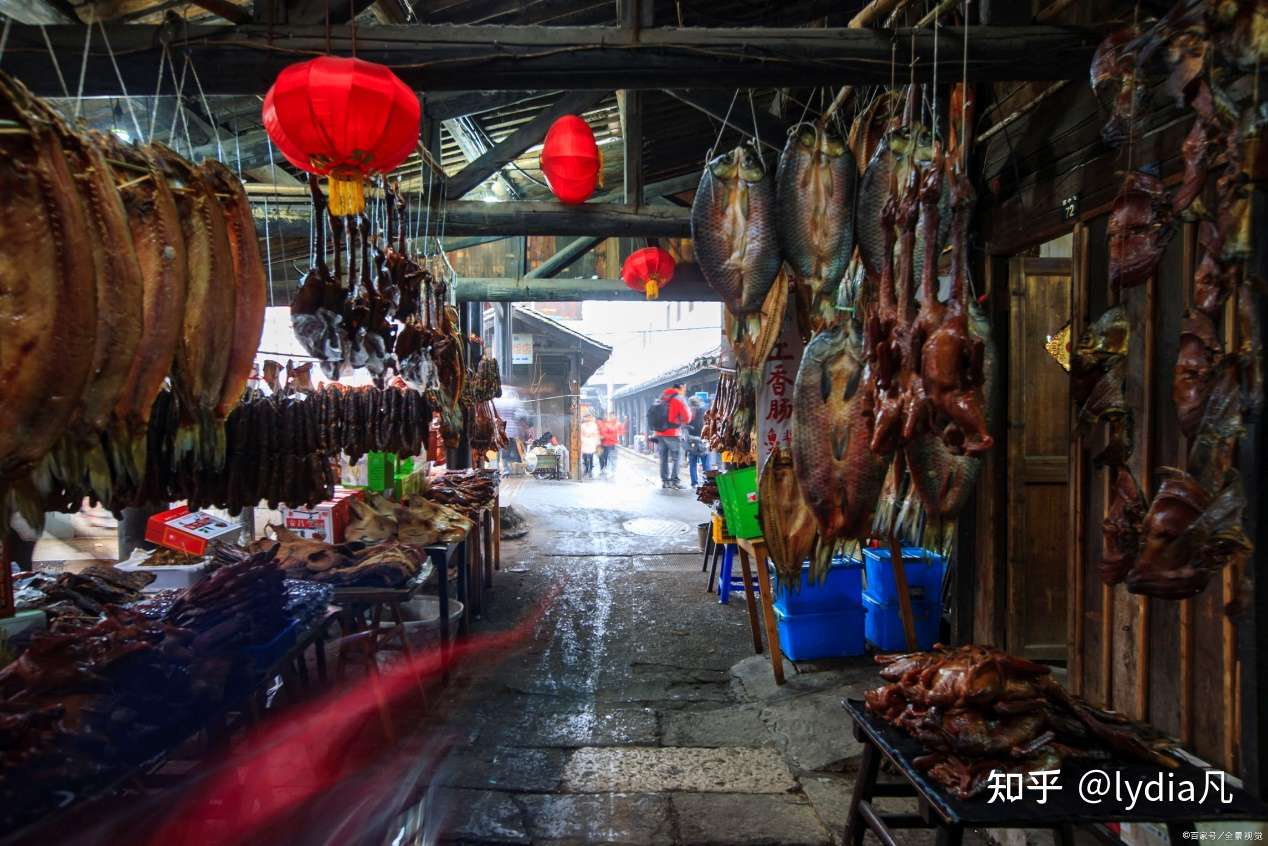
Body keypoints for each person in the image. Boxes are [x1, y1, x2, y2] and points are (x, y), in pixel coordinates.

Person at [653, 383, 691, 490]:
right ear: (682, 387)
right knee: (677, 457)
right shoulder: (679, 398)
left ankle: (665, 481)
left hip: (660, 433)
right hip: (673, 432)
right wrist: (681, 421)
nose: (685, 390)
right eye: (685, 388)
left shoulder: (662, 396)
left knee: (663, 458)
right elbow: (687, 417)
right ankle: (675, 481)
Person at [685, 395, 711, 487]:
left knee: (693, 463)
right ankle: (708, 481)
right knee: (705, 462)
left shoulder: (688, 412)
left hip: (692, 440)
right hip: (703, 440)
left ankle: (694, 483)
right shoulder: (704, 410)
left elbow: (685, 426)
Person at [579, 413, 600, 478]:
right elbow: (580, 434)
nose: (588, 419)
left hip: (591, 442)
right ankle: (586, 467)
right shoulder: (582, 425)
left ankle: (590, 468)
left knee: (591, 456)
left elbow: (596, 434)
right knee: (584, 456)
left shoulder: (594, 425)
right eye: (586, 417)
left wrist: (596, 442)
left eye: (589, 417)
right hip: (584, 442)